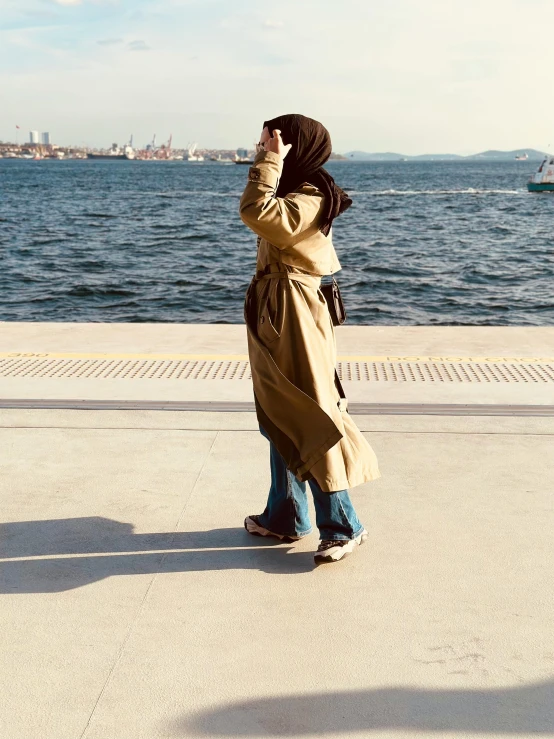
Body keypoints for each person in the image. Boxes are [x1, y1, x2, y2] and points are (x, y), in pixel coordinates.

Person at [239, 114, 380, 565]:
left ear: (293, 148)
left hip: (295, 311)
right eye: (263, 145)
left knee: (311, 412)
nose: (262, 151)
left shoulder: (312, 195)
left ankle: (343, 525)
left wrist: (269, 165)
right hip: (276, 309)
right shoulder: (292, 190)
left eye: (270, 144)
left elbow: (256, 213)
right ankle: (285, 515)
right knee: (279, 414)